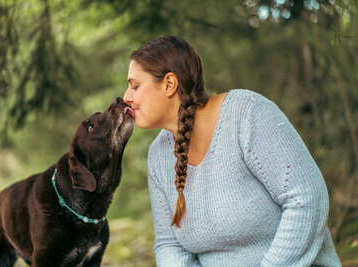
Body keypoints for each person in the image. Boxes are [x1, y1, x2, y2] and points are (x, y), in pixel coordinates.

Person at [122, 36, 341, 267]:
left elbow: (306, 198)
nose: (126, 97)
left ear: (169, 84)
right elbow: (169, 245)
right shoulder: (158, 154)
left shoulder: (246, 114)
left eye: (135, 86)